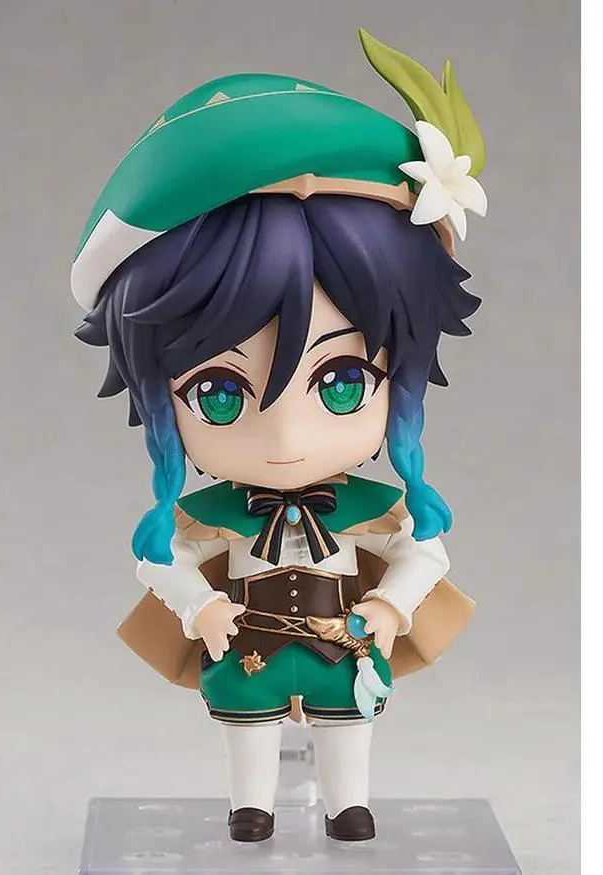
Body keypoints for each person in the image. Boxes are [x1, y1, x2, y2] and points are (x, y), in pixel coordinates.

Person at [73, 29, 487, 843]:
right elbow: (159, 556)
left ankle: (347, 803)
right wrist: (200, 606)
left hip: (343, 639)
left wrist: (391, 605)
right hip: (248, 644)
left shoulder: (370, 506)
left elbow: (425, 551)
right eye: (220, 394)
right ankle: (251, 805)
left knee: (348, 722)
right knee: (247, 726)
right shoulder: (214, 515)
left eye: (342, 382)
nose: (288, 435)